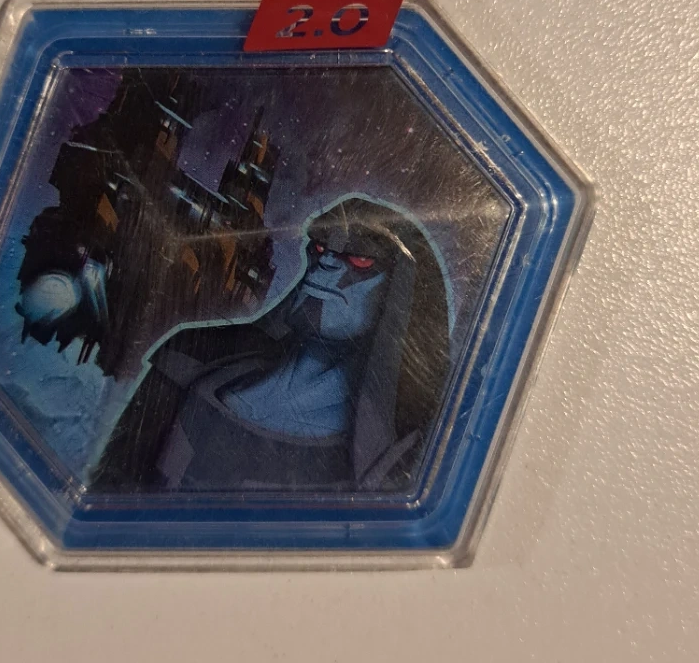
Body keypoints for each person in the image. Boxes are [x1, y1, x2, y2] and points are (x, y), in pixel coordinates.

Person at [88, 197, 451, 495]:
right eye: (320, 247)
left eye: (359, 260)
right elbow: (106, 497)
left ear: (402, 297)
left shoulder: (395, 462)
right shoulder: (189, 360)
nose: (325, 261)